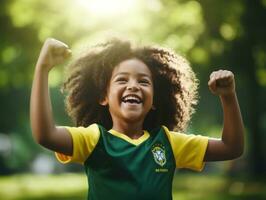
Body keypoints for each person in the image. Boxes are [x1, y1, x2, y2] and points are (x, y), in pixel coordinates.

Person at [30, 38, 244, 200]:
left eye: (143, 82)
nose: (133, 85)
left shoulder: (169, 143)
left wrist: (228, 97)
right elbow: (45, 135)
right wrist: (43, 68)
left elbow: (231, 147)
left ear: (154, 101)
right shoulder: (94, 140)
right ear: (104, 97)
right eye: (122, 79)